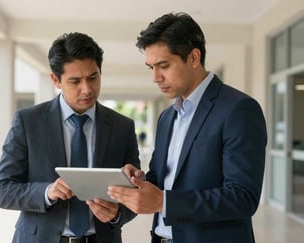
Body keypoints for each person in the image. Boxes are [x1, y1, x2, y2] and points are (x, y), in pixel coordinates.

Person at [108, 12, 267, 243]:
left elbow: (242, 197)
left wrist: (164, 202)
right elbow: (164, 179)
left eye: (163, 65)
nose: (155, 77)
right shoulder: (166, 117)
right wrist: (140, 181)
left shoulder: (239, 109)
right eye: (150, 67)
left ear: (193, 57)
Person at [0, 32, 140, 243]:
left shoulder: (122, 127)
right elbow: (2, 190)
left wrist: (117, 214)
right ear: (56, 80)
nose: (87, 89)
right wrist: (47, 191)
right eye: (75, 81)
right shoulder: (28, 122)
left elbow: (134, 192)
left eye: (93, 77)